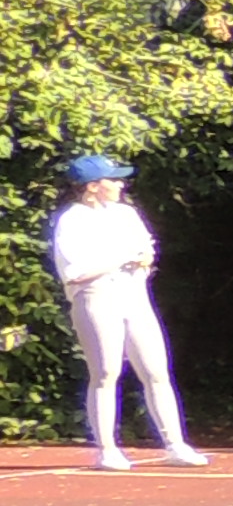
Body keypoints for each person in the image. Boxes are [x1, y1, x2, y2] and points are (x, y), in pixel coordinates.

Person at [47, 155, 203, 469]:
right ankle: (108, 449)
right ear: (92, 186)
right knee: (105, 372)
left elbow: (146, 249)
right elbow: (75, 272)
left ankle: (175, 444)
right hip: (96, 297)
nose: (120, 184)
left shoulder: (125, 213)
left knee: (156, 370)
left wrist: (141, 258)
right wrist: (122, 258)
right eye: (113, 179)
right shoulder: (72, 220)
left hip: (135, 295)